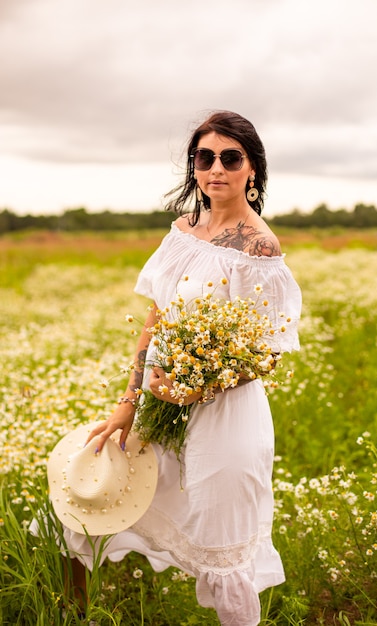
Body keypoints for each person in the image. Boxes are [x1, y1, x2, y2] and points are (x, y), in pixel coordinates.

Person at [62, 110, 302, 625]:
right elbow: (154, 320)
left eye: (230, 157)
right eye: (205, 157)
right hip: (161, 402)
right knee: (94, 501)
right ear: (194, 166)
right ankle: (70, 616)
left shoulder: (258, 246)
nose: (216, 168)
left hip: (227, 414)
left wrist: (196, 388)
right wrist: (129, 402)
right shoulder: (183, 230)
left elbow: (267, 350)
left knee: (223, 548)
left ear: (252, 169)